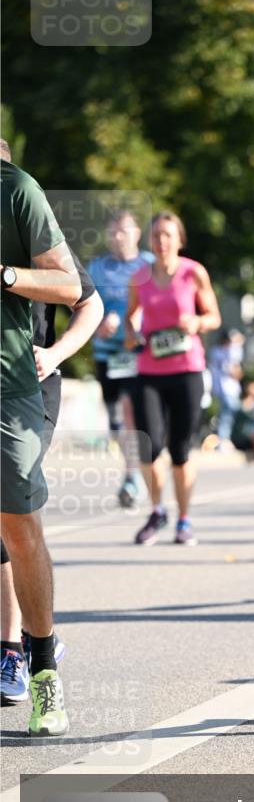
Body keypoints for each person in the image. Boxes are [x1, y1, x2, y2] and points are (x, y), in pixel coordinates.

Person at [1, 151, 82, 735]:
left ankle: (43, 670)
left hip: (7, 388)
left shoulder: (17, 190)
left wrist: (6, 274)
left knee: (17, 529)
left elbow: (71, 284)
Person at [125, 211, 221, 546]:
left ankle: (183, 519)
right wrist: (131, 333)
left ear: (179, 240)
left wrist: (196, 323)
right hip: (149, 372)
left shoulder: (193, 273)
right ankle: (156, 511)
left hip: (187, 370)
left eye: (167, 235)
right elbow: (130, 321)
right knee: (149, 446)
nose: (161, 241)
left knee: (180, 450)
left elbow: (214, 317)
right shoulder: (139, 276)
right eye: (155, 236)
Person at [89, 210, 153, 507]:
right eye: (112, 232)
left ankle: (135, 475)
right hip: (108, 353)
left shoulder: (150, 266)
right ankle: (132, 472)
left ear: (137, 233)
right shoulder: (97, 267)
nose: (118, 237)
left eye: (123, 231)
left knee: (131, 412)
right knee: (116, 420)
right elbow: (83, 306)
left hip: (141, 353)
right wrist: (99, 322)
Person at [208, 327, 245, 451]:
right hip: (224, 387)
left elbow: (240, 340)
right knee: (226, 414)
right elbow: (232, 370)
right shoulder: (220, 352)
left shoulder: (231, 351)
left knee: (230, 413)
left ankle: (225, 437)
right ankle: (223, 439)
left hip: (231, 388)